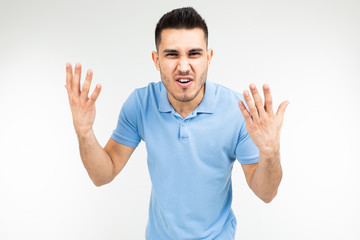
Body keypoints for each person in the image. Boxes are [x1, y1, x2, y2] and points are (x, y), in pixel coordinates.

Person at [65, 7, 289, 240]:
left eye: (194, 54)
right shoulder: (141, 104)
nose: (183, 66)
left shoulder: (237, 110)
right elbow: (103, 174)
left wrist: (270, 152)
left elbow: (266, 193)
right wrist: (84, 132)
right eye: (172, 54)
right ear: (156, 59)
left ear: (209, 57)